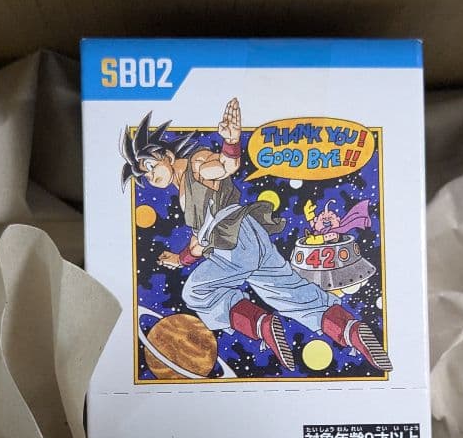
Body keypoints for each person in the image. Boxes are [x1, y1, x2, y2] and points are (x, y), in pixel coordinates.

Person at [122, 98, 391, 373]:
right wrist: (180, 259)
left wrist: (231, 142)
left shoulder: (196, 164)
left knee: (196, 292)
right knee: (291, 293)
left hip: (233, 242)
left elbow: (225, 166)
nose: (150, 176)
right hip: (250, 236)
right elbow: (199, 244)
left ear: (166, 156)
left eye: (151, 166)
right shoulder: (184, 191)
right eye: (145, 175)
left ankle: (261, 324)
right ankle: (350, 330)